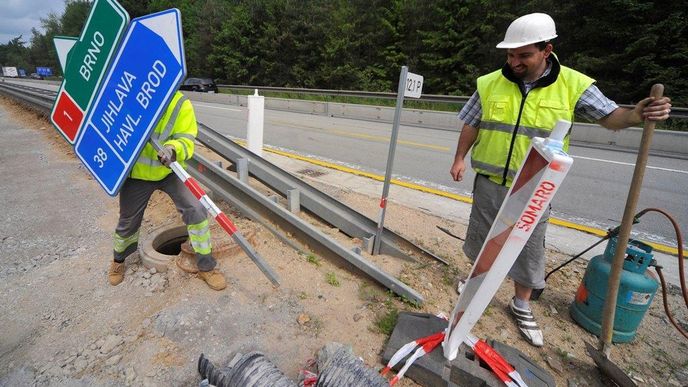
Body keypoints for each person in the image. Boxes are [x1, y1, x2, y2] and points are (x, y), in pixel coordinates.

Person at [449, 13, 671, 346]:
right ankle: (477, 282)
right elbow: (471, 122)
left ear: (546, 50)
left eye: (523, 55)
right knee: (483, 235)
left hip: (536, 184)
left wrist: (637, 114)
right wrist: (459, 158)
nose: (514, 62)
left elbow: (611, 117)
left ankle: (521, 301)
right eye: (510, 55)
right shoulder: (489, 82)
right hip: (491, 177)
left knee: (528, 245)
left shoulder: (573, 85)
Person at [107, 91, 227, 291]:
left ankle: (206, 266)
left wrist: (173, 149)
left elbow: (187, 139)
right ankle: (118, 261)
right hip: (137, 174)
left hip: (169, 170)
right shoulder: (127, 95)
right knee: (128, 221)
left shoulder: (179, 103)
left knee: (196, 209)